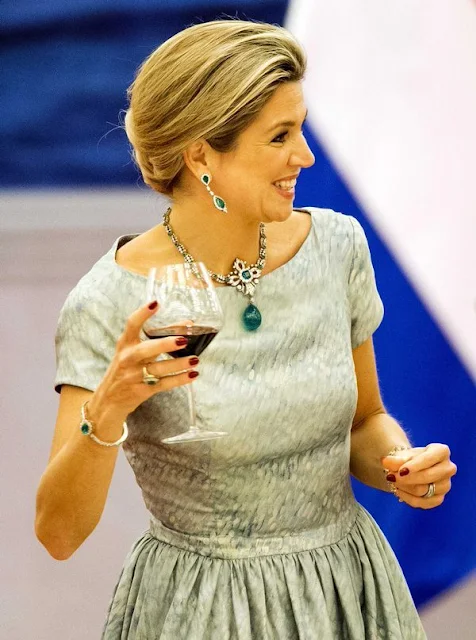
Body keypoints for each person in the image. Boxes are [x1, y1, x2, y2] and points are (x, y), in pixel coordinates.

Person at [35, 19, 457, 639]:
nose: (305, 156)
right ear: (202, 154)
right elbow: (59, 533)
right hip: (203, 609)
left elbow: (365, 421)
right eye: (280, 136)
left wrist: (399, 466)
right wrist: (110, 406)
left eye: (302, 128)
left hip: (347, 593)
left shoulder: (336, 247)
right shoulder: (109, 301)